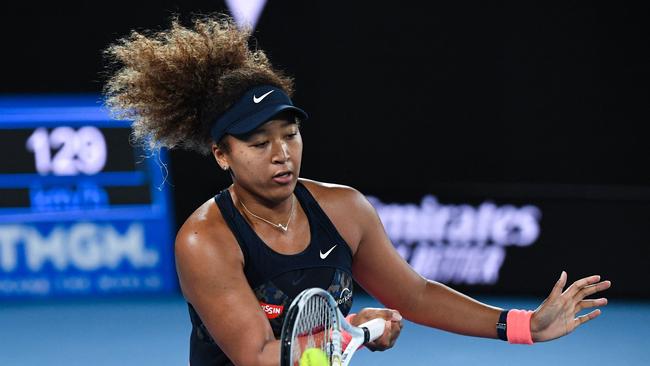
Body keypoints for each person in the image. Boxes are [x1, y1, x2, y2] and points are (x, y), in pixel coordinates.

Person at [103, 15, 611, 366]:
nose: (282, 154)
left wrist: (525, 326)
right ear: (222, 154)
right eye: (259, 143)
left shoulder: (343, 208)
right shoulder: (205, 241)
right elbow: (260, 356)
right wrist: (352, 331)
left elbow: (411, 294)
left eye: (290, 135)